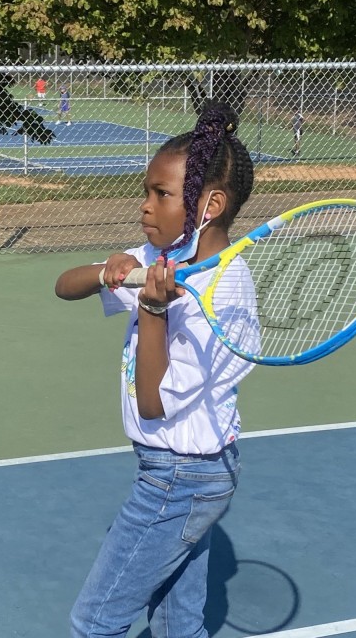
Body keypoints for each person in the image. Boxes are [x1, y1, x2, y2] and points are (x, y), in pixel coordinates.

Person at [54, 99, 257, 638]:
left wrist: (152, 309)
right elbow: (64, 286)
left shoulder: (225, 290)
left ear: (208, 204)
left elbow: (153, 400)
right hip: (180, 469)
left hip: (183, 475)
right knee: (176, 622)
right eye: (147, 191)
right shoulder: (165, 256)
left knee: (95, 623)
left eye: (160, 194)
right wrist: (107, 271)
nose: (145, 207)